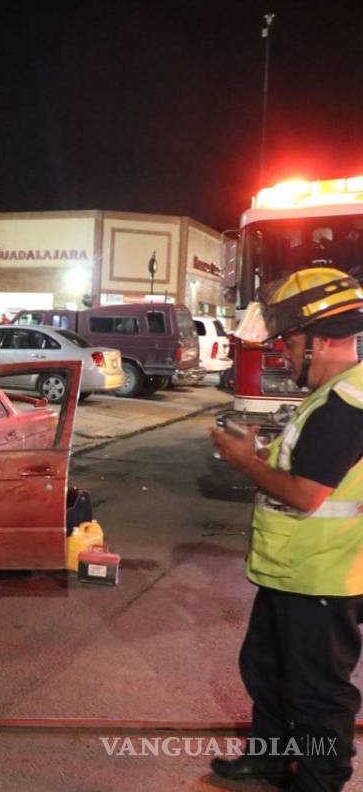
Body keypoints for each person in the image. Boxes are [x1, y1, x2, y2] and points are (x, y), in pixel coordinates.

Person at [210, 267, 363, 791]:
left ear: (322, 341)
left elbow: (305, 493)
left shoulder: (345, 405)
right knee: (267, 671)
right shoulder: (331, 395)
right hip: (295, 572)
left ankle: (319, 782)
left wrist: (243, 461)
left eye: (292, 343)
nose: (284, 355)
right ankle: (267, 761)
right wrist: (257, 453)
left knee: (318, 694)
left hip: (321, 579)